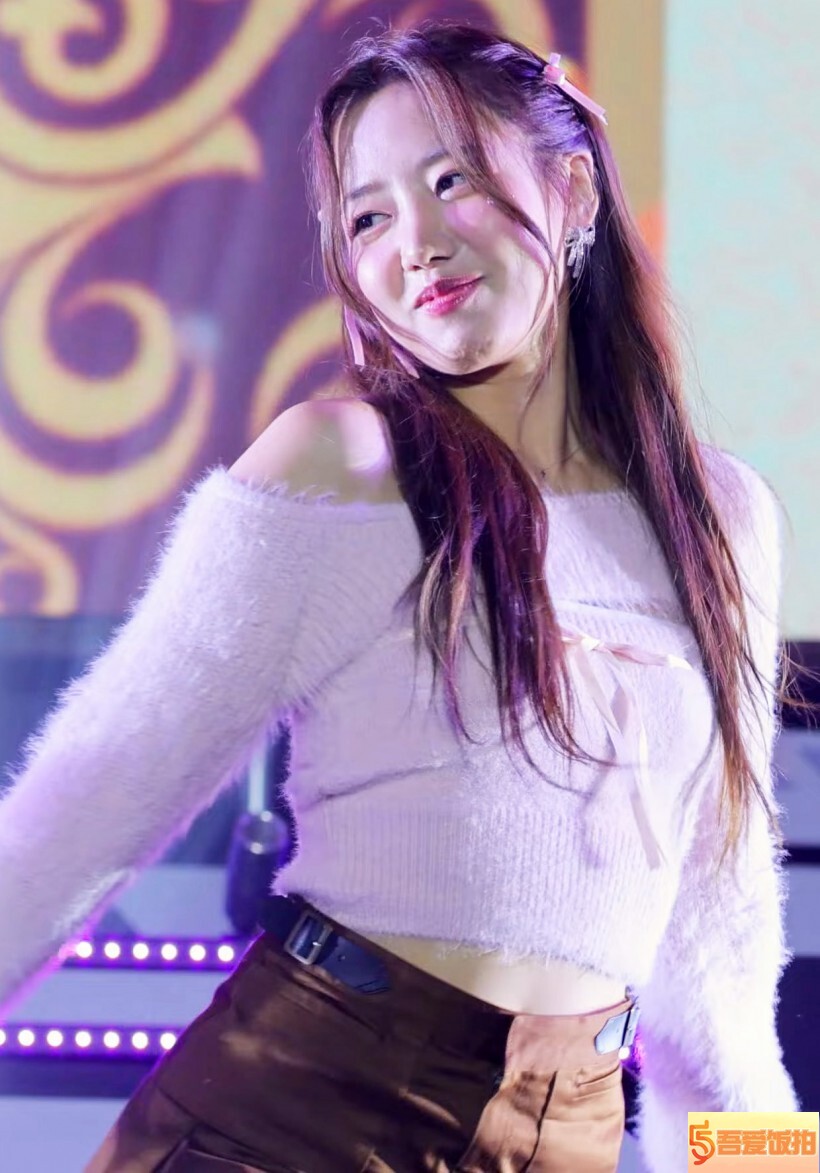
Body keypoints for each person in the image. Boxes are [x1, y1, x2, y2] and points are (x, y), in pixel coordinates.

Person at [0, 22, 802, 1173]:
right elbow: (88, 798)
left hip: (567, 1129)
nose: (415, 244)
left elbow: (721, 936)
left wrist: (762, 1160)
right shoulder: (341, 467)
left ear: (572, 191)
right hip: (298, 1115)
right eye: (367, 217)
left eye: (451, 182)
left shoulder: (719, 515)